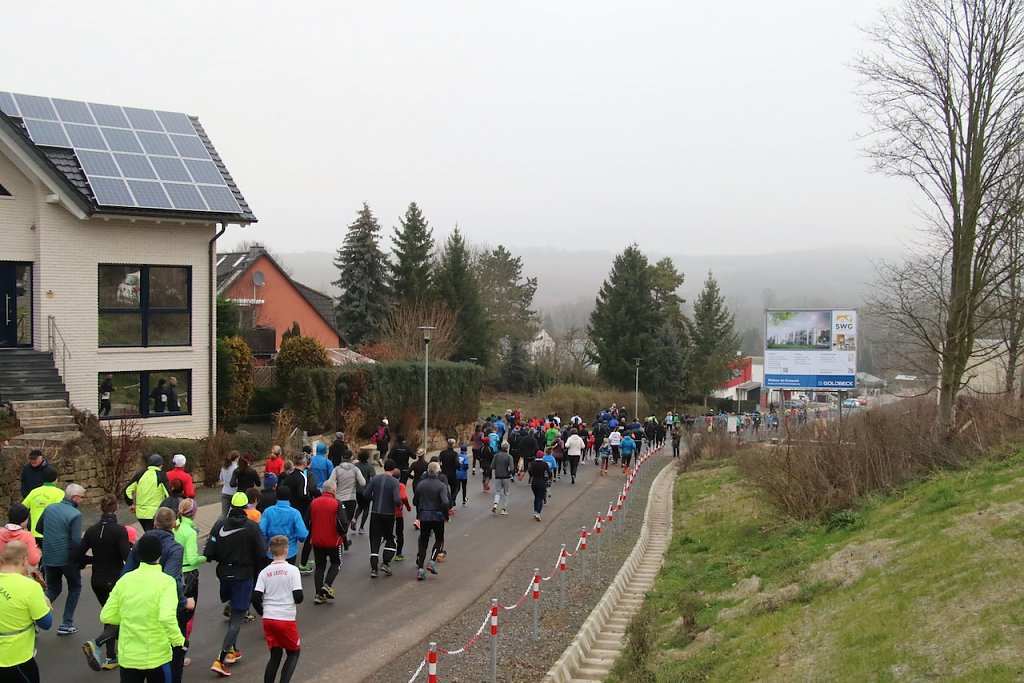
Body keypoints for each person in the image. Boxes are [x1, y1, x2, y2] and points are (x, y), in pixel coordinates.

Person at [100, 534, 184, 683]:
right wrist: (179, 641)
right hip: (157, 656)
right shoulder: (167, 582)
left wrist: (130, 615)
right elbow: (166, 617)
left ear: (137, 554)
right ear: (160, 555)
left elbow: (106, 615)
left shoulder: (125, 580)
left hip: (129, 658)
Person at [205, 491, 266, 677]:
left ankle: (232, 649)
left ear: (231, 505)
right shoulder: (252, 527)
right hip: (243, 575)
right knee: (237, 618)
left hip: (224, 574)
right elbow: (262, 553)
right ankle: (220, 658)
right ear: (246, 506)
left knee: (234, 611)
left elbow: (209, 552)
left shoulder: (219, 524)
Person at [79, 496, 131, 672]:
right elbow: (126, 556)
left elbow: (77, 554)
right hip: (113, 580)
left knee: (110, 616)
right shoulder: (119, 530)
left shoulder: (91, 530)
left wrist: (94, 559)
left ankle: (111, 657)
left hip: (97, 581)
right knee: (120, 617)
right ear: (116, 509)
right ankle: (96, 644)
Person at [252, 535, 303, 683]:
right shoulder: (293, 570)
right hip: (286, 618)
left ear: (270, 550)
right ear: (286, 550)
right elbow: (298, 597)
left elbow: (255, 597)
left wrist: (263, 612)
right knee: (293, 653)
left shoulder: (264, 572)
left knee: (275, 655)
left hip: (269, 618)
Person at [0, 540, 52, 683]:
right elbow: (46, 623)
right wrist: (45, 604)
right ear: (24, 560)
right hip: (16, 659)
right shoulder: (30, 587)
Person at [38, 483, 83, 635]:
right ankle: (66, 623)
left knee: (53, 588)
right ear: (75, 497)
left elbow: (38, 528)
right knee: (75, 587)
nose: (82, 500)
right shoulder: (75, 514)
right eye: (82, 497)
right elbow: (76, 541)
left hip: (49, 555)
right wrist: (81, 559)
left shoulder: (49, 508)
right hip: (67, 558)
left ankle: (34, 616)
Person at [308, 479, 347, 604]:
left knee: (319, 566)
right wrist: (342, 534)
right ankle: (327, 584)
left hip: (317, 540)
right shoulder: (337, 503)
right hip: (333, 541)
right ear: (334, 490)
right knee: (336, 562)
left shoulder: (314, 503)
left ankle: (318, 594)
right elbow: (342, 522)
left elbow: (308, 520)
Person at [362, 459, 402, 578]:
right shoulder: (394, 482)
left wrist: (374, 499)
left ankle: (374, 569)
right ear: (394, 469)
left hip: (375, 513)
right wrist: (399, 504)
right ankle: (386, 562)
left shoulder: (375, 479)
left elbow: (365, 494)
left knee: (375, 539)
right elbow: (396, 499)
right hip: (388, 514)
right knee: (390, 538)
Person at [173, 499, 204, 650]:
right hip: (189, 575)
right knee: (188, 614)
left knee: (175, 612)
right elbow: (192, 559)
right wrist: (205, 558)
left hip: (174, 572)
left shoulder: (174, 527)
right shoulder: (190, 532)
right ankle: (182, 648)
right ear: (194, 512)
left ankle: (174, 645)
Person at [280, 455, 317, 573]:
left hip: (289, 507)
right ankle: (303, 563)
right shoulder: (302, 477)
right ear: (304, 463)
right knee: (309, 536)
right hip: (302, 510)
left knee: (289, 535)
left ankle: (284, 559)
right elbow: (303, 494)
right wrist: (311, 501)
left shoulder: (289, 476)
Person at [413, 462, 450, 580]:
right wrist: (446, 515)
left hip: (424, 516)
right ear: (438, 471)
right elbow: (445, 501)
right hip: (437, 516)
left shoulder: (421, 484)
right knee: (439, 539)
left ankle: (420, 569)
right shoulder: (441, 485)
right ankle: (432, 561)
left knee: (423, 542)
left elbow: (415, 501)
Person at [259, 486, 308, 566]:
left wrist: (267, 541)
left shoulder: (268, 511)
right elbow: (302, 534)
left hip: (272, 551)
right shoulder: (295, 513)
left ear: (276, 496)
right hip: (289, 551)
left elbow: (261, 530)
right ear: (289, 497)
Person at [124, 454, 170, 531]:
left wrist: (130, 503)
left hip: (140, 513)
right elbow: (168, 494)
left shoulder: (140, 474)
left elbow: (127, 490)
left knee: (148, 533)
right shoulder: (161, 476)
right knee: (154, 535)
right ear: (161, 465)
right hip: (155, 513)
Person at [22, 467, 63, 544]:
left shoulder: (34, 492)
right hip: (51, 533)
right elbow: (61, 513)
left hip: (34, 533)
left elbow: (22, 508)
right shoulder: (60, 493)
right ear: (56, 479)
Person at [328, 452, 365, 529]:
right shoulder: (355, 469)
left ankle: (340, 535)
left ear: (342, 458)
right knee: (347, 520)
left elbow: (330, 482)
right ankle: (345, 534)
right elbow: (363, 483)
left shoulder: (337, 469)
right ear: (351, 458)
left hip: (339, 498)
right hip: (351, 498)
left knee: (338, 520)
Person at [351, 451, 376, 535]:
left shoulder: (356, 466)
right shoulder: (370, 467)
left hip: (358, 490)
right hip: (367, 490)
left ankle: (354, 518)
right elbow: (373, 478)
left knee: (360, 506)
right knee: (366, 508)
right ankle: (361, 527)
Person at [491, 443, 514, 515]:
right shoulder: (509, 456)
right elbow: (512, 468)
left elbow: (492, 466)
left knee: (498, 491)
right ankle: (503, 509)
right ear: (507, 448)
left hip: (498, 476)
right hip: (506, 476)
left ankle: (495, 504)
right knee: (506, 493)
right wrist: (509, 472)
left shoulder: (496, 455)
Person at [393, 474, 411, 562]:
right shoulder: (400, 485)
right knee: (399, 534)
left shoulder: (386, 484)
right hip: (398, 514)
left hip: (386, 512)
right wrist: (408, 507)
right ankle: (398, 554)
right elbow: (403, 497)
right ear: (399, 477)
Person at [528, 454, 550, 521]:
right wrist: (549, 478)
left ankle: (535, 512)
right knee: (540, 498)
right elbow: (549, 472)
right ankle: (538, 513)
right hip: (542, 482)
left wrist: (532, 475)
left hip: (534, 482)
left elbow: (530, 471)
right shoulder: (544, 464)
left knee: (536, 497)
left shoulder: (533, 464)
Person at [219, 452, 240, 517]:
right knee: (236, 513)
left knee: (223, 514)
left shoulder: (224, 467)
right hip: (234, 493)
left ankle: (219, 523)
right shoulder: (237, 468)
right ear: (236, 458)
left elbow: (221, 478)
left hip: (225, 491)